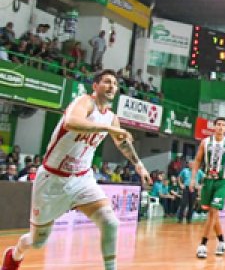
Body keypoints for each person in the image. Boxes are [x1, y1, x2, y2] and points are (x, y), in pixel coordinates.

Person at [1, 69, 150, 270]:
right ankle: (14, 253)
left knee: (110, 222)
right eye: (107, 82)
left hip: (82, 179)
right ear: (95, 86)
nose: (112, 86)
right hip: (52, 179)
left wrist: (139, 165)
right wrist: (108, 129)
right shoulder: (84, 102)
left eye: (115, 84)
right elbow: (72, 122)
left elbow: (123, 142)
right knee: (38, 242)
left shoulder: (111, 118)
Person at [191, 117, 225, 258]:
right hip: (208, 180)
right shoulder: (205, 142)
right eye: (218, 124)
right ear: (214, 127)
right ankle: (222, 241)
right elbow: (198, 160)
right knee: (212, 213)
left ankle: (203, 245)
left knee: (213, 211)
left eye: (223, 125)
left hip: (223, 181)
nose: (220, 127)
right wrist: (193, 179)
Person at [178, 158, 204, 224]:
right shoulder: (184, 170)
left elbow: (204, 179)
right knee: (183, 203)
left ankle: (189, 219)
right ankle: (180, 219)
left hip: (194, 188)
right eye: (190, 164)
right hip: (186, 188)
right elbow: (179, 178)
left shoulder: (199, 171)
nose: (191, 165)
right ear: (188, 165)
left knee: (191, 204)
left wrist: (200, 186)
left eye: (192, 164)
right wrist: (181, 184)